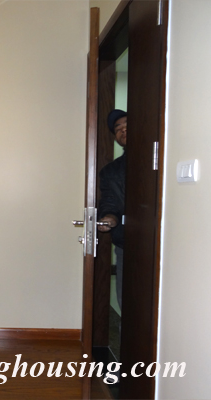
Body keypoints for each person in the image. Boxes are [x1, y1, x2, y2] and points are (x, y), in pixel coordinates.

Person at [97, 109, 127, 311]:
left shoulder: (163, 158)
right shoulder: (111, 171)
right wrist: (109, 218)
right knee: (126, 301)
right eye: (118, 128)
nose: (123, 130)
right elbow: (109, 203)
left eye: (127, 125)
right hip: (126, 245)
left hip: (164, 245)